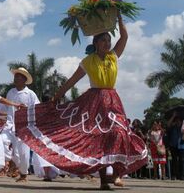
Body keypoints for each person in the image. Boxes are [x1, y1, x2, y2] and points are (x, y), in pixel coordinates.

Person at [14, 13, 147, 190]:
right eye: (103, 41)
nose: (107, 44)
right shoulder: (88, 61)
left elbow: (124, 37)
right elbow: (71, 80)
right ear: (96, 43)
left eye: (108, 40)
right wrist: (57, 96)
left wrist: (119, 17)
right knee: (98, 139)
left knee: (119, 133)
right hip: (94, 102)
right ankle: (103, 180)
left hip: (113, 101)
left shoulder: (113, 56)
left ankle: (116, 174)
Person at [167, 113, 184, 180]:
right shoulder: (172, 127)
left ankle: (181, 175)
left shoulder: (183, 128)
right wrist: (173, 116)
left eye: (179, 120)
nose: (178, 122)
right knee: (174, 161)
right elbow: (168, 124)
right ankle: (174, 175)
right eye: (176, 120)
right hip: (173, 145)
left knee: (181, 161)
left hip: (181, 145)